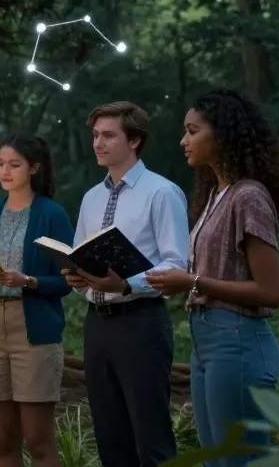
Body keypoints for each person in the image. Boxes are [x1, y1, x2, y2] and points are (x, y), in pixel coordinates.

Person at [146, 89, 279, 467]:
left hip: (238, 340)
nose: (184, 140)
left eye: (192, 131)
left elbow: (270, 291)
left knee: (239, 460)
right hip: (204, 342)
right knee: (216, 460)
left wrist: (191, 282)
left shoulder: (249, 197)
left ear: (222, 135)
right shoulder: (215, 195)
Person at [64, 102, 188, 467]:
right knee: (109, 435)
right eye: (95, 136)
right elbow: (79, 256)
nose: (98, 143)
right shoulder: (91, 197)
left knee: (150, 436)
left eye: (108, 135)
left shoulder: (161, 193)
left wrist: (127, 284)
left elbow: (176, 263)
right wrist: (76, 277)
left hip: (140, 321)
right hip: (96, 323)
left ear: (134, 140)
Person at [0, 134, 72, 467]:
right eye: (0, 164)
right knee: (3, 439)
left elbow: (69, 280)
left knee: (38, 440)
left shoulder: (52, 214)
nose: (5, 171)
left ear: (34, 168)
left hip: (34, 330)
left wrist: (29, 281)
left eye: (14, 164)